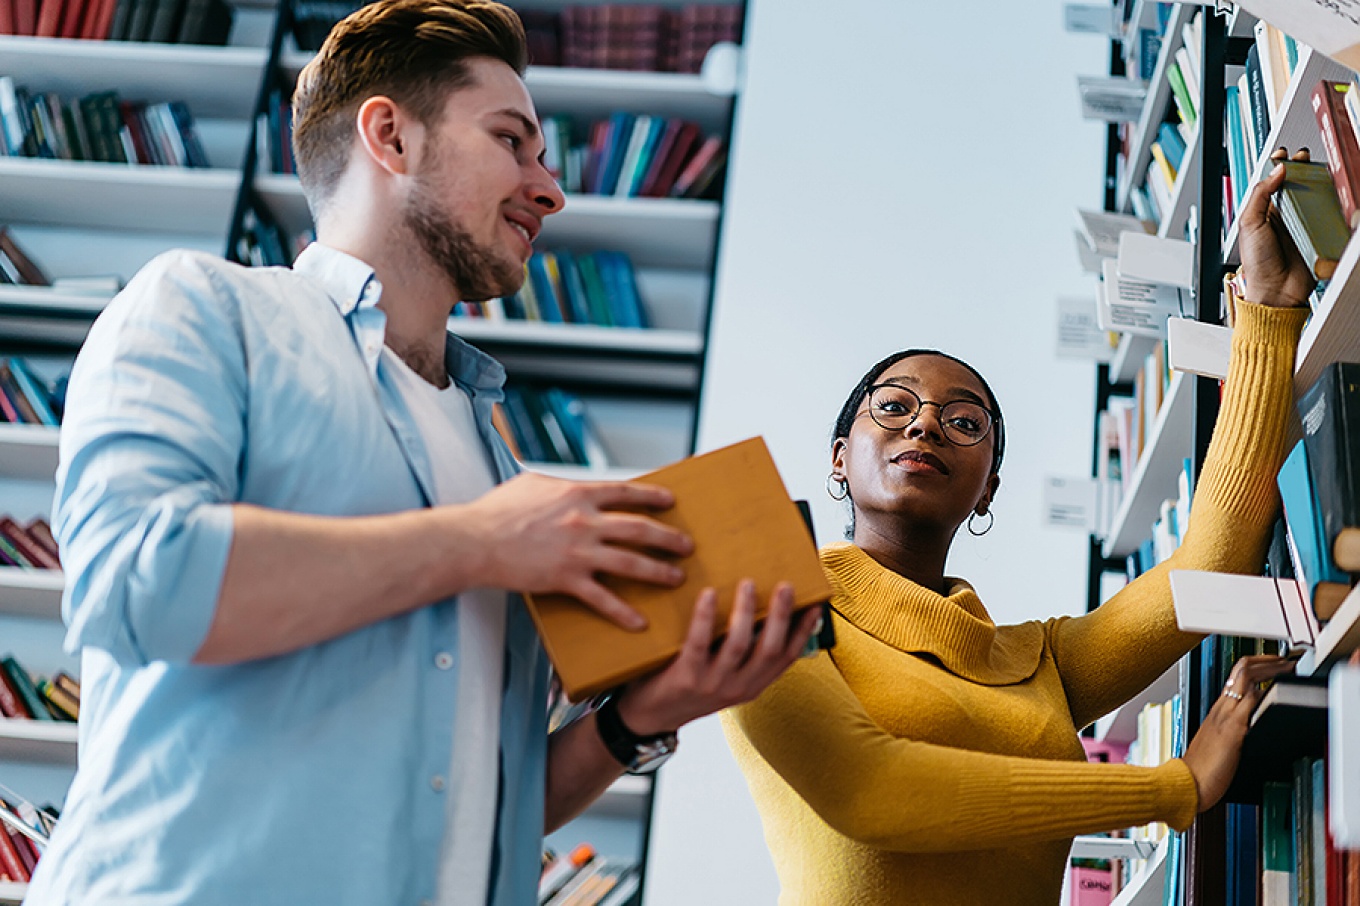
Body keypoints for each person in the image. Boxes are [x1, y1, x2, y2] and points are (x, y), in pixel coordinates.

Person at [26, 1, 821, 903]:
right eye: (513, 142)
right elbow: (136, 584)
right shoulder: (204, 308)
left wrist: (639, 722)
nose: (549, 188)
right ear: (390, 137)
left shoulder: (494, 465)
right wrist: (477, 544)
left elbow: (478, 807)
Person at [722, 150, 1316, 905]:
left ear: (987, 488)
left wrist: (1267, 313)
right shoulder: (767, 598)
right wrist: (1174, 787)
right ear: (839, 458)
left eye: (964, 421)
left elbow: (1211, 559)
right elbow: (872, 790)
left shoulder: (1037, 665)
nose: (928, 424)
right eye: (895, 406)